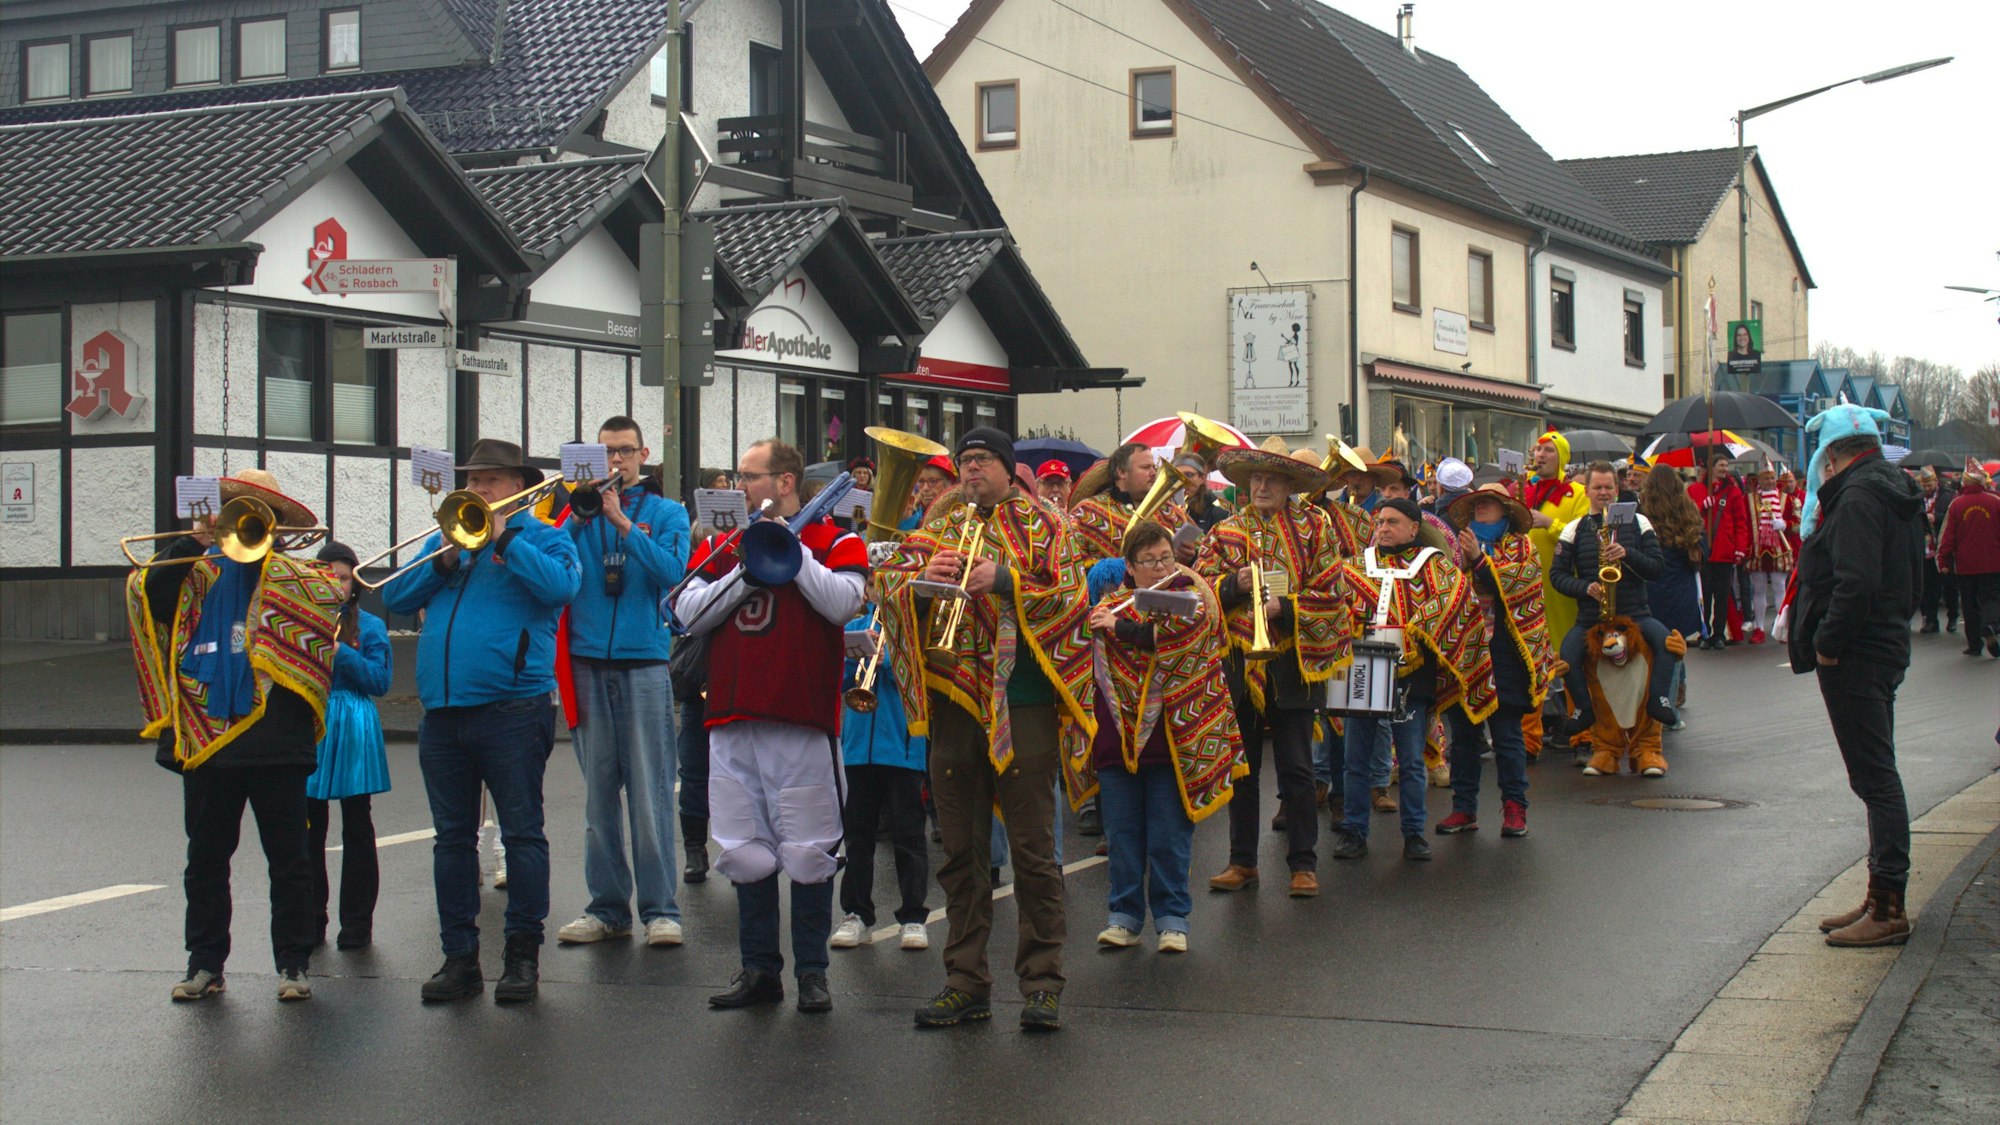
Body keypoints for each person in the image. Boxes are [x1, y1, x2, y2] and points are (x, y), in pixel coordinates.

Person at [879, 427, 1092, 1031]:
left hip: (1022, 703)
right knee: (961, 853)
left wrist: (1006, 581)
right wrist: (922, 582)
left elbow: (1071, 598)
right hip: (955, 703)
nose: (970, 470)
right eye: (964, 461)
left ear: (1005, 466)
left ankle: (1043, 983)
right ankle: (965, 980)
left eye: (981, 460)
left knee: (1032, 852)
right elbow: (887, 582)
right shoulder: (941, 524)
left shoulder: (1048, 525)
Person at [130, 468, 342, 1003]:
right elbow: (151, 596)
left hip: (277, 740)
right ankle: (204, 964)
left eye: (256, 510)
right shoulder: (196, 571)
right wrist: (193, 541)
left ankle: (293, 964)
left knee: (290, 861)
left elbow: (327, 611)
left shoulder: (299, 575)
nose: (244, 519)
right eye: (235, 508)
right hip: (207, 738)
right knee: (204, 861)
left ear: (277, 521)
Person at [383, 439, 581, 1004]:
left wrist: (503, 539)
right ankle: (459, 958)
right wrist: (445, 558)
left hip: (513, 707)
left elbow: (562, 588)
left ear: (519, 487)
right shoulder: (446, 541)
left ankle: (522, 958)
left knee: (521, 834)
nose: (478, 489)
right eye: (473, 480)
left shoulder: (544, 536)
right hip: (444, 711)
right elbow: (395, 596)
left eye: (491, 479)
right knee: (452, 840)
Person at [677, 439, 866, 1013]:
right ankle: (759, 969)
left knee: (810, 848)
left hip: (801, 715)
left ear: (785, 482)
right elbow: (687, 613)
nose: (740, 486)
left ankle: (812, 973)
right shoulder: (723, 543)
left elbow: (843, 603)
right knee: (744, 847)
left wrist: (791, 552)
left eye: (750, 476)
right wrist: (750, 569)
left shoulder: (836, 538)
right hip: (731, 712)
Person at [1069, 520, 1245, 953]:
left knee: (1168, 836)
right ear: (1129, 567)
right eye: (1149, 561)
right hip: (1118, 739)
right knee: (1122, 835)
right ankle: (1124, 917)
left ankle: (1172, 920)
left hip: (1175, 739)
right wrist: (1106, 622)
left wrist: (1120, 628)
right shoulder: (1111, 604)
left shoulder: (1192, 597)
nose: (1161, 566)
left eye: (1166, 557)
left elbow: (1181, 637)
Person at [1788, 405, 1924, 947]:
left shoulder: (1859, 495)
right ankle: (1879, 895)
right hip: (1882, 644)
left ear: (1833, 456)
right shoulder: (1891, 488)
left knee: (1875, 779)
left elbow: (1856, 581)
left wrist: (1827, 644)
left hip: (1858, 653)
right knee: (1875, 775)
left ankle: (1888, 905)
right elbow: (1909, 578)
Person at [554, 417, 692, 949]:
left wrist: (623, 524)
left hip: (644, 665)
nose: (617, 461)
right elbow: (552, 560)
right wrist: (580, 514)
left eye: (626, 451)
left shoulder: (667, 512)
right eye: (608, 452)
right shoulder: (578, 511)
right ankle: (607, 908)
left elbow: (673, 572)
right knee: (598, 800)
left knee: (650, 796)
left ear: (643, 454)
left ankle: (661, 910)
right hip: (587, 662)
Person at [1196, 440, 1347, 896]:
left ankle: (1303, 864)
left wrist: (1288, 607)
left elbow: (1334, 594)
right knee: (1241, 768)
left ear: (1289, 486)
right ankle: (1242, 862)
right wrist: (1232, 585)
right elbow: (1200, 590)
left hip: (1292, 664)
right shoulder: (1225, 532)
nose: (1262, 487)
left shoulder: (1315, 529)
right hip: (1239, 664)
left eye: (1272, 480)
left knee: (1297, 768)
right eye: (1256, 479)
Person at [1330, 499, 1493, 862]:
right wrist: (1352, 619)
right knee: (1355, 758)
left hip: (1411, 674)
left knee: (1411, 760)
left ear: (1414, 528)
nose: (1383, 528)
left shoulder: (1434, 566)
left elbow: (1457, 601)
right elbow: (1335, 604)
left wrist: (1417, 629)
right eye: (1380, 522)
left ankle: (1414, 834)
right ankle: (1354, 831)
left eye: (1393, 522)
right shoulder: (1355, 566)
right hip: (1362, 667)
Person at [1436, 485, 1554, 837]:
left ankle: (1515, 808)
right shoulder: (1457, 544)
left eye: (1488, 504)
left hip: (1507, 650)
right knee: (1464, 737)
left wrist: (1478, 561)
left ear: (1506, 511)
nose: (1481, 508)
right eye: (1477, 504)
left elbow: (1520, 586)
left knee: (1506, 735)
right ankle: (1463, 808)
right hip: (1465, 648)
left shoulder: (1522, 546)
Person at [1549, 462, 1675, 763]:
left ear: (1617, 490)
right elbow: (1557, 576)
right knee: (1567, 656)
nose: (1603, 493)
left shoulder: (1640, 522)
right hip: (1591, 617)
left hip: (1635, 613)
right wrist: (1584, 588)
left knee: (1667, 644)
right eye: (1597, 488)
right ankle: (1583, 709)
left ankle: (1659, 699)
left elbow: (1657, 568)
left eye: (1608, 487)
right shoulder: (1574, 528)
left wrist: (1627, 554)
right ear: (1587, 491)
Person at [831, 597, 932, 952]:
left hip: (902, 748)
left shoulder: (916, 629)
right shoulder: (855, 628)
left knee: (908, 835)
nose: (880, 589)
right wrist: (850, 658)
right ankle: (856, 913)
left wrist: (886, 658)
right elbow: (841, 683)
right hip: (858, 750)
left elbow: (920, 679)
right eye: (874, 582)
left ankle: (914, 917)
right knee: (858, 836)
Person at [305, 542, 392, 951]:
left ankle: (357, 922)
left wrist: (341, 653)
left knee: (357, 824)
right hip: (312, 720)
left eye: (342, 578)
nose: (335, 584)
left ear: (354, 583)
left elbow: (380, 681)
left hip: (353, 720)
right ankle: (310, 917)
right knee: (309, 826)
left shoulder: (369, 625)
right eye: (327, 577)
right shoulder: (301, 619)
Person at [1638, 468, 1704, 728]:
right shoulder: (1688, 512)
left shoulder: (1643, 515)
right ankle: (1674, 700)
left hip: (1652, 589)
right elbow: (1702, 551)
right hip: (1681, 589)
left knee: (1659, 650)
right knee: (1675, 647)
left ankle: (1668, 706)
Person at [1688, 454, 1752, 649]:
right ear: (1712, 467)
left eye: (1726, 465)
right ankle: (1704, 632)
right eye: (1721, 465)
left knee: (1722, 595)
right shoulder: (1695, 490)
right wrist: (1701, 507)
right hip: (1703, 551)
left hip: (1724, 551)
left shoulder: (1733, 492)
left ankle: (1718, 634)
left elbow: (1741, 522)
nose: (1724, 468)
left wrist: (1740, 548)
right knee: (1704, 595)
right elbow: (1688, 517)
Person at [1937, 467, 2000, 657]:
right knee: (1990, 597)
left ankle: (1974, 644)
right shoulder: (1995, 501)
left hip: (1965, 565)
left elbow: (1948, 536)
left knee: (1969, 603)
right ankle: (1990, 624)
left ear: (1964, 483)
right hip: (1992, 562)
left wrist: (1943, 560)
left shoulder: (1957, 504)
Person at [1742, 463, 1792, 643]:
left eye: (1772, 478)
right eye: (1766, 478)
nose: (1770, 481)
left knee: (1780, 587)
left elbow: (1797, 523)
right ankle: (1759, 628)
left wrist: (1785, 524)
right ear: (1759, 480)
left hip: (1779, 550)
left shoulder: (1787, 499)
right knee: (1759, 589)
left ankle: (1782, 628)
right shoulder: (1749, 500)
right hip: (1757, 550)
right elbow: (1744, 524)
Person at [1917, 468, 1960, 635]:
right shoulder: (1918, 498)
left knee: (1949, 585)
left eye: (1929, 485)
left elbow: (1953, 518)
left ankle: (1953, 616)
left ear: (1936, 482)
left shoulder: (1947, 496)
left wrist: (1937, 517)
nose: (1926, 488)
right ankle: (1931, 620)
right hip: (1925, 547)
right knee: (1928, 587)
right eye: (1924, 485)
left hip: (1943, 547)